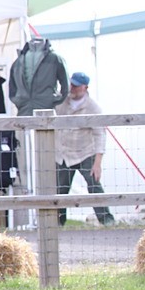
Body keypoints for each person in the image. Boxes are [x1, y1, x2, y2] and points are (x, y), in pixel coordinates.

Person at [54, 71, 114, 226]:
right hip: (63, 154)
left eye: (76, 86)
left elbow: (100, 134)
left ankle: (106, 220)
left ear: (85, 87)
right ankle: (58, 222)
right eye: (71, 84)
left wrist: (97, 163)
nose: (72, 88)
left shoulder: (93, 108)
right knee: (60, 189)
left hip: (85, 153)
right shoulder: (61, 102)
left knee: (94, 185)